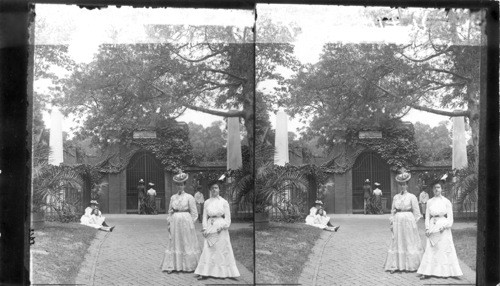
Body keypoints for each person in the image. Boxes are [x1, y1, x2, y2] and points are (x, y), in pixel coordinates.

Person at [195, 181, 240, 280]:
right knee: (209, 247)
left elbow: (228, 218)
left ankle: (225, 272)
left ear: (219, 189)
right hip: (211, 225)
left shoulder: (224, 202)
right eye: (212, 188)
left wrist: (223, 226)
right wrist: (205, 229)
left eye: (216, 188)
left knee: (222, 248)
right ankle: (205, 272)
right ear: (210, 190)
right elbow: (204, 217)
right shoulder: (207, 202)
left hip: (220, 226)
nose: (214, 189)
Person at [417, 181, 463, 279]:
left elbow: (450, 217)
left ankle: (445, 272)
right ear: (432, 190)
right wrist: (427, 228)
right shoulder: (429, 202)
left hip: (443, 226)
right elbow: (427, 217)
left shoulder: (446, 201)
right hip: (433, 224)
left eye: (438, 187)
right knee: (432, 248)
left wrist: (446, 226)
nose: (436, 189)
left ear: (441, 189)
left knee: (444, 247)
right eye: (434, 188)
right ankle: (427, 271)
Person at [384, 169, 423, 273]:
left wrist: (412, 223)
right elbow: (392, 211)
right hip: (398, 221)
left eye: (404, 184)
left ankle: (410, 265)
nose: (402, 186)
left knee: (408, 241)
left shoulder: (412, 197)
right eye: (400, 184)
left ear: (407, 185)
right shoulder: (396, 197)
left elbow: (417, 213)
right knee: (397, 241)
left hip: (408, 222)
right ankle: (395, 265)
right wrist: (392, 222)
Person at [160, 171, 200, 273]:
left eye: (181, 185)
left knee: (186, 242)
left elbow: (194, 213)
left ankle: (188, 266)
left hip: (186, 223)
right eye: (178, 185)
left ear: (184, 185)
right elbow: (170, 211)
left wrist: (190, 223)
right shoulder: (173, 197)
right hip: (175, 222)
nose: (180, 187)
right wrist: (169, 221)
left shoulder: (189, 197)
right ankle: (172, 265)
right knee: (175, 242)